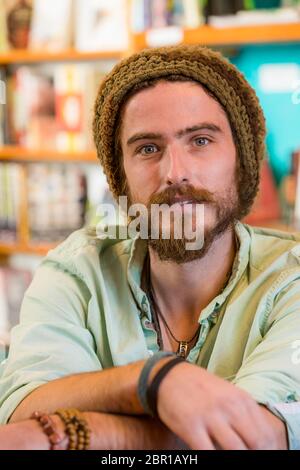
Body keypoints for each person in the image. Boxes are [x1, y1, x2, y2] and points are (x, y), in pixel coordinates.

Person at [0, 44, 300, 450]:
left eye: (200, 140)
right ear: (120, 180)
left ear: (242, 161)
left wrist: (88, 431)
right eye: (147, 148)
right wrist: (150, 382)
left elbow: (252, 439)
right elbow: (23, 410)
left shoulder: (291, 281)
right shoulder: (77, 270)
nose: (175, 173)